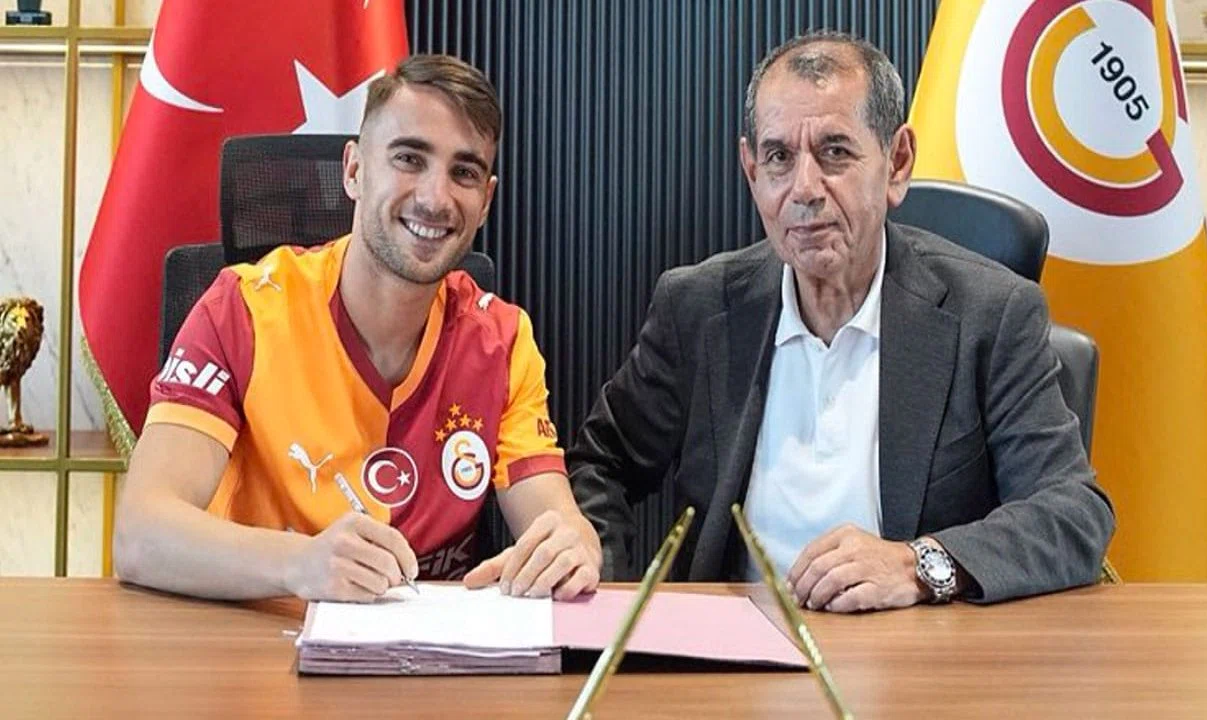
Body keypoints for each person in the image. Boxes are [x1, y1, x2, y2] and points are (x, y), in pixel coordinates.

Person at [568, 31, 1115, 612]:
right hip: (734, 649)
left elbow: (1073, 514)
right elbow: (600, 465)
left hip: (916, 652)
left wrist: (919, 564)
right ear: (751, 170)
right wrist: (601, 583)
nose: (804, 189)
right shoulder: (698, 309)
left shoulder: (991, 314)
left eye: (834, 153)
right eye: (779, 158)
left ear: (897, 163)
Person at [114, 54, 601, 603]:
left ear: (485, 201)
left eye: (463, 173)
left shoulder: (503, 341)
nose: (435, 198)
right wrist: (300, 563)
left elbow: (556, 520)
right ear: (353, 171)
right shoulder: (242, 309)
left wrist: (575, 545)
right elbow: (141, 534)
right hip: (260, 636)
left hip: (429, 647)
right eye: (409, 159)